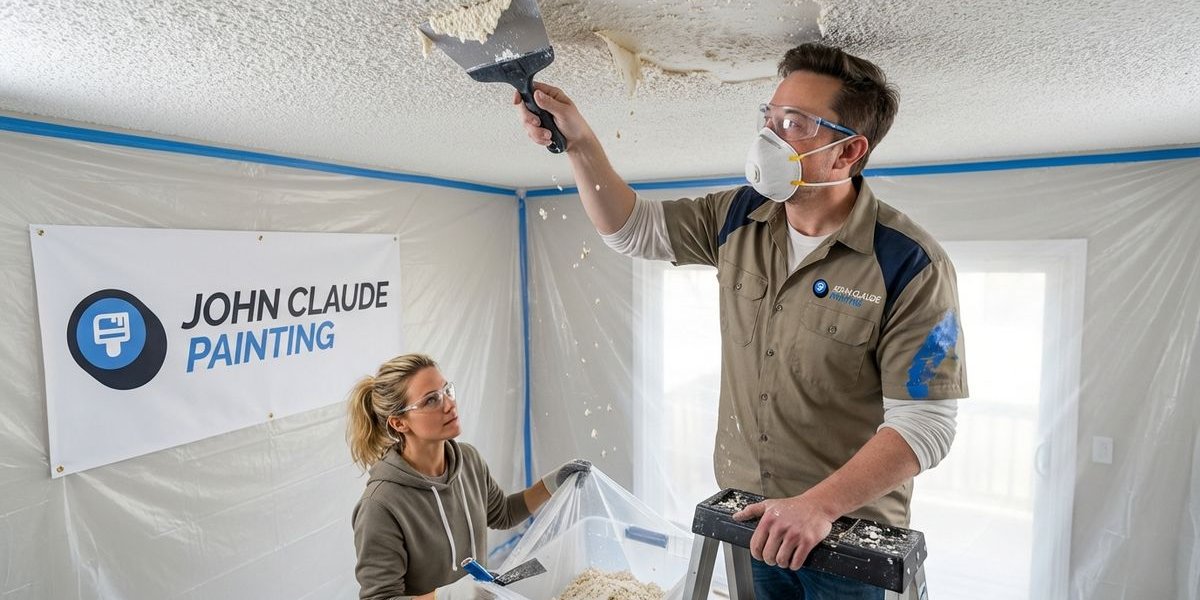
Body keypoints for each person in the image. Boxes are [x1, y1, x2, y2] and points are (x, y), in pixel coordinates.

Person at [514, 43, 967, 599]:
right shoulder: (739, 217)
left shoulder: (909, 262)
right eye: (769, 117)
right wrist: (580, 142)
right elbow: (633, 230)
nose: (769, 137)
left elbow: (926, 424)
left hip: (848, 536)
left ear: (848, 151)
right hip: (750, 518)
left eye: (794, 123)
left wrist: (818, 505)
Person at [347, 353, 590, 600]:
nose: (449, 404)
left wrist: (550, 484)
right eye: (431, 400)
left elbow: (503, 513)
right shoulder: (379, 505)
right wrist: (448, 596)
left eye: (447, 390)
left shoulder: (468, 460)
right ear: (399, 423)